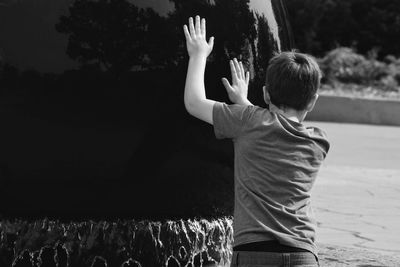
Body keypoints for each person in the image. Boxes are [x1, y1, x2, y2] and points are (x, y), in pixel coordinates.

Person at [183, 16, 330, 267]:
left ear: (265, 93)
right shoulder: (318, 142)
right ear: (313, 101)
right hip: (303, 254)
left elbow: (194, 103)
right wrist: (245, 105)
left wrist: (198, 55)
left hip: (254, 251)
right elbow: (276, 128)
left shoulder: (248, 121)